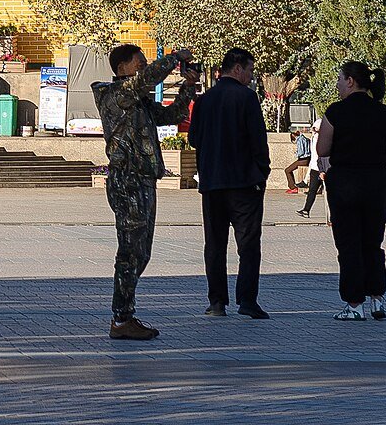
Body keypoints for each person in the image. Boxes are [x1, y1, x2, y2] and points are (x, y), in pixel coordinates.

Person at [94, 43, 200, 341]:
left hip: (142, 181)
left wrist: (188, 88)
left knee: (141, 252)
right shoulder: (115, 95)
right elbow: (148, 79)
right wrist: (174, 58)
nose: (143, 66)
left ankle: (125, 313)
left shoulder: (137, 101)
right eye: (139, 62)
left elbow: (171, 115)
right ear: (122, 68)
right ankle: (121, 318)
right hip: (127, 181)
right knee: (130, 251)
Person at [190, 48, 271, 319]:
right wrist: (263, 171)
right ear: (237, 68)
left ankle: (217, 302)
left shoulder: (204, 100)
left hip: (212, 182)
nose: (251, 76)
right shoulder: (247, 98)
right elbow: (258, 140)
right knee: (248, 243)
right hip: (244, 182)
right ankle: (247, 301)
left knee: (214, 243)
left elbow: (193, 140)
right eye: (249, 70)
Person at [316, 60, 386, 320]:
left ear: (351, 81)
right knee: (373, 242)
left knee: (348, 243)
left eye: (340, 79)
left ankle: (354, 304)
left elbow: (321, 150)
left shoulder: (336, 112)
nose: (338, 84)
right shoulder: (384, 113)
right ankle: (377, 299)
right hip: (375, 181)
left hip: (344, 183)